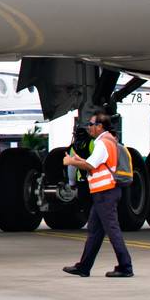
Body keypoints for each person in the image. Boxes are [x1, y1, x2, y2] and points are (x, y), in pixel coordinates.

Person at [62, 111, 134, 278]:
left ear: (100, 126)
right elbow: (95, 163)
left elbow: (91, 165)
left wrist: (71, 162)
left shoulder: (103, 143)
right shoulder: (108, 141)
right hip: (104, 192)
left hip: (105, 193)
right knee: (94, 230)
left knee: (112, 229)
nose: (89, 127)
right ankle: (84, 267)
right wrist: (79, 159)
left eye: (91, 124)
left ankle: (125, 266)